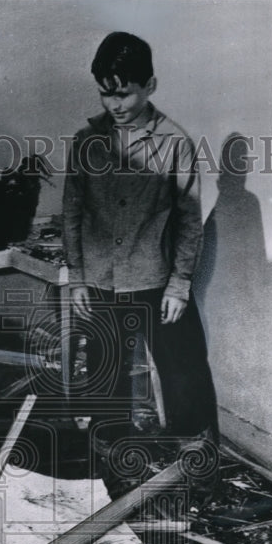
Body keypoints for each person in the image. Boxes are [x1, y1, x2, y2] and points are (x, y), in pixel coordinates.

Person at [62, 31, 219, 459]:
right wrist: (77, 278)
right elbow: (73, 212)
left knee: (183, 370)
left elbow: (190, 221)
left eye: (125, 94)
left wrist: (179, 284)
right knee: (104, 370)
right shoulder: (86, 141)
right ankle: (112, 456)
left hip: (155, 279)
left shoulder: (175, 143)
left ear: (149, 85)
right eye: (105, 94)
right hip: (99, 280)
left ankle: (194, 458)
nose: (115, 105)